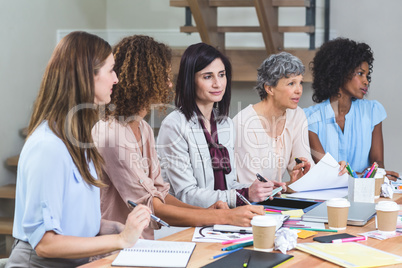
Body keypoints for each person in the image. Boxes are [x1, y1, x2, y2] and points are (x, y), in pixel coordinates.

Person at [92, 35, 264, 240]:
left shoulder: (144, 128)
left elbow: (161, 194)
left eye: (221, 75)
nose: (169, 84)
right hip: (113, 248)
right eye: (163, 76)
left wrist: (213, 212)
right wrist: (222, 216)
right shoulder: (112, 135)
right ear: (145, 80)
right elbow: (152, 205)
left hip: (143, 243)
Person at [6, 31, 151, 267]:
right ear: (87, 76)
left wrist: (110, 227)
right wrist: (120, 239)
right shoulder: (48, 147)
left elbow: (69, 221)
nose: (116, 79)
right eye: (111, 70)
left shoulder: (79, 142)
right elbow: (45, 243)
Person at [156, 42, 284, 208]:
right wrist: (244, 195)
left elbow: (228, 187)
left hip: (223, 220)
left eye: (222, 74)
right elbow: (186, 195)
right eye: (207, 76)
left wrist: (260, 189)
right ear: (190, 80)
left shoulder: (225, 124)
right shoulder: (174, 126)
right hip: (188, 225)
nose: (218, 83)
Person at [304, 37, 399, 180]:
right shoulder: (309, 119)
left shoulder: (373, 111)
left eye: (367, 75)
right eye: (360, 74)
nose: (366, 81)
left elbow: (378, 164)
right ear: (340, 73)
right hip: (328, 199)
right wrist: (362, 175)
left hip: (365, 196)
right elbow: (328, 173)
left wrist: (377, 172)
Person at [233, 52, 317, 188]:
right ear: (269, 88)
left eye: (300, 83)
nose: (299, 90)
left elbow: (306, 169)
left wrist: (334, 172)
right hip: (247, 204)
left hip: (274, 200)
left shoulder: (297, 115)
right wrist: (289, 186)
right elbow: (252, 188)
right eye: (291, 83)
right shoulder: (244, 123)